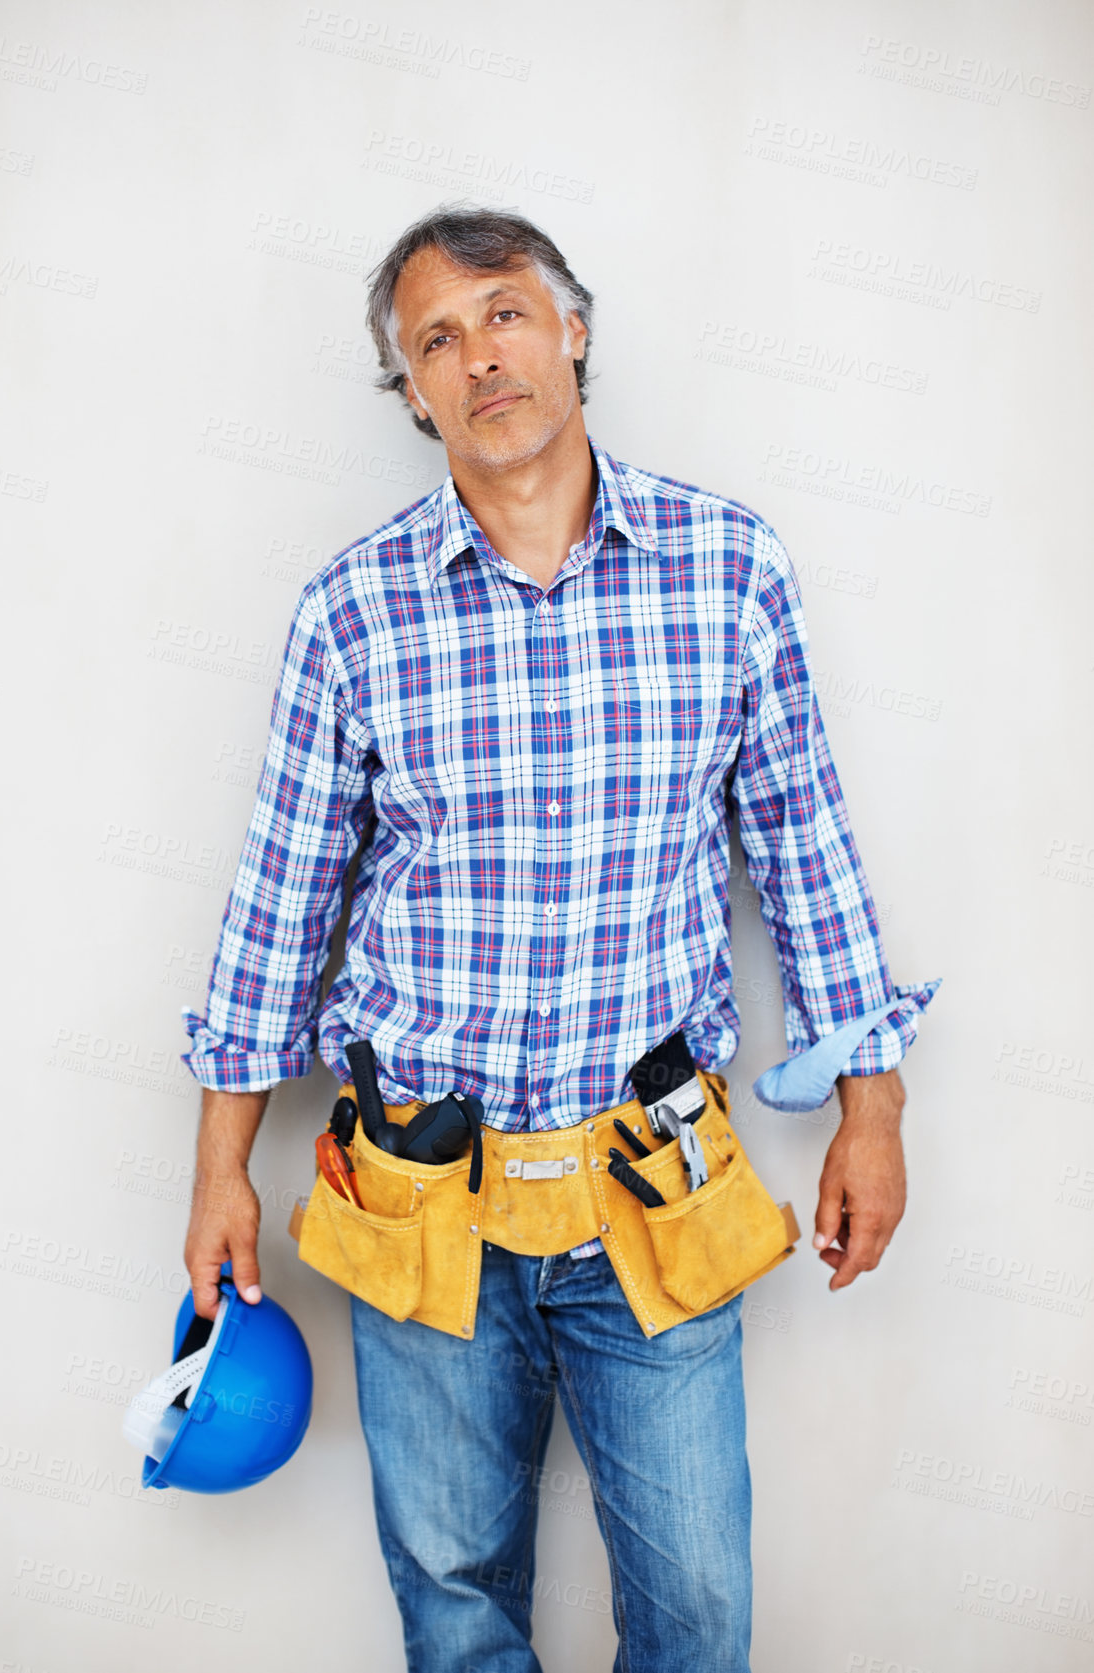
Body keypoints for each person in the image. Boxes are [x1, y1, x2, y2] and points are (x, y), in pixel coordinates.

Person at [181, 203, 937, 1671]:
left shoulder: (727, 571)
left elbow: (805, 843)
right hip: (418, 1196)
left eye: (505, 313)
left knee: (700, 1611)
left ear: (573, 327)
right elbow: (278, 905)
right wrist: (219, 1173)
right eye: (438, 342)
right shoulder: (353, 613)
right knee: (456, 1610)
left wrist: (875, 1103)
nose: (482, 359)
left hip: (652, 1182)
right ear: (414, 394)